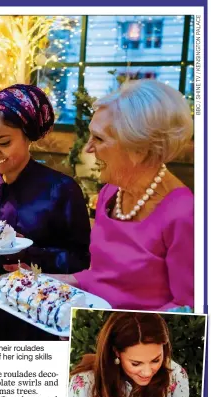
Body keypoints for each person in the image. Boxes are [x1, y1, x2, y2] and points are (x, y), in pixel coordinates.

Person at [0, 84, 91, 340]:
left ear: (28, 136)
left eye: (4, 143)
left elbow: (80, 259)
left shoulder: (61, 189)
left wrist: (28, 254)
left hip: (34, 312)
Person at [52, 79, 194, 311]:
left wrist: (102, 330)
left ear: (138, 147)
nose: (88, 148)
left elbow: (186, 309)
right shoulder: (111, 193)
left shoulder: (185, 214)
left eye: (98, 138)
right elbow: (103, 277)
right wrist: (50, 281)